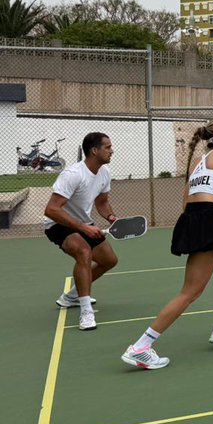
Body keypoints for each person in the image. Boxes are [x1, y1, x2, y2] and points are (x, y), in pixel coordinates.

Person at [121, 120, 213, 371]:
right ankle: (141, 347)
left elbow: (190, 202)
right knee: (190, 292)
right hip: (208, 222)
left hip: (194, 218)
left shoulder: (197, 162)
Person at [43, 132, 120, 332]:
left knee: (109, 260)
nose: (112, 150)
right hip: (57, 223)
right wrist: (83, 227)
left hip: (82, 222)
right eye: (108, 147)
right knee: (83, 251)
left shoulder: (104, 173)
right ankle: (86, 311)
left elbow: (102, 203)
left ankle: (71, 296)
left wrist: (111, 218)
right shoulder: (73, 174)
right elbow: (51, 209)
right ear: (94, 151)